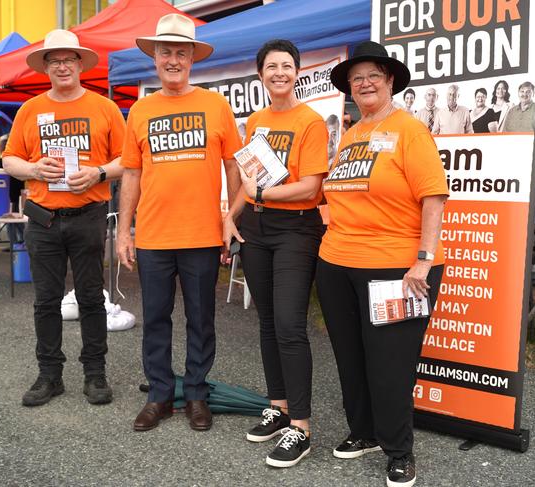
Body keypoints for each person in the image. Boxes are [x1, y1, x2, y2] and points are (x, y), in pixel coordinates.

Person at [318, 41, 448, 487]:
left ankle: (399, 450)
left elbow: (433, 196)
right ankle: (365, 432)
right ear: (350, 88)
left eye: (374, 75)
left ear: (390, 80)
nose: (365, 83)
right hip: (337, 264)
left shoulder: (409, 130)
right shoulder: (352, 134)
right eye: (357, 78)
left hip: (396, 268)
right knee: (350, 357)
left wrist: (423, 262)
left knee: (390, 363)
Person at [117, 13, 242, 432]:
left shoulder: (215, 105)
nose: (173, 60)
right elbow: (131, 173)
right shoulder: (140, 110)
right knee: (155, 317)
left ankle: (195, 394)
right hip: (153, 235)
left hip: (202, 233)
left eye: (181, 53)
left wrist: (230, 216)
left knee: (201, 318)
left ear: (192, 59)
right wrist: (123, 231)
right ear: (155, 58)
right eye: (166, 52)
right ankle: (158, 395)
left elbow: (233, 166)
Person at [2, 29, 126, 407]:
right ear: (46, 68)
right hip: (43, 219)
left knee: (90, 298)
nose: (61, 66)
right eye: (53, 60)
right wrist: (35, 169)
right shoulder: (30, 109)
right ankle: (49, 375)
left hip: (88, 214)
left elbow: (128, 160)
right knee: (46, 301)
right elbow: (9, 159)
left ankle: (95, 374)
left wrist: (99, 173)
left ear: (79, 64)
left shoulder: (104, 108)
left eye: (67, 59)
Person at [223, 39, 327, 468]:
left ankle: (300, 427)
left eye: (287, 66)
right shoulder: (256, 120)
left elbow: (312, 187)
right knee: (267, 321)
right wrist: (231, 216)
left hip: (295, 229)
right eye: (271, 66)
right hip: (256, 227)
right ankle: (279, 406)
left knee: (288, 324)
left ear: (297, 73)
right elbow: (250, 180)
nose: (279, 72)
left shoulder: (312, 122)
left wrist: (265, 192)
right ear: (261, 74)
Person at [0, 134, 25, 243]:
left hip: (8, 196)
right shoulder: (18, 161)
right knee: (17, 221)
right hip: (16, 195)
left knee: (12, 222)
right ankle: (20, 243)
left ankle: (16, 243)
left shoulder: (0, 162)